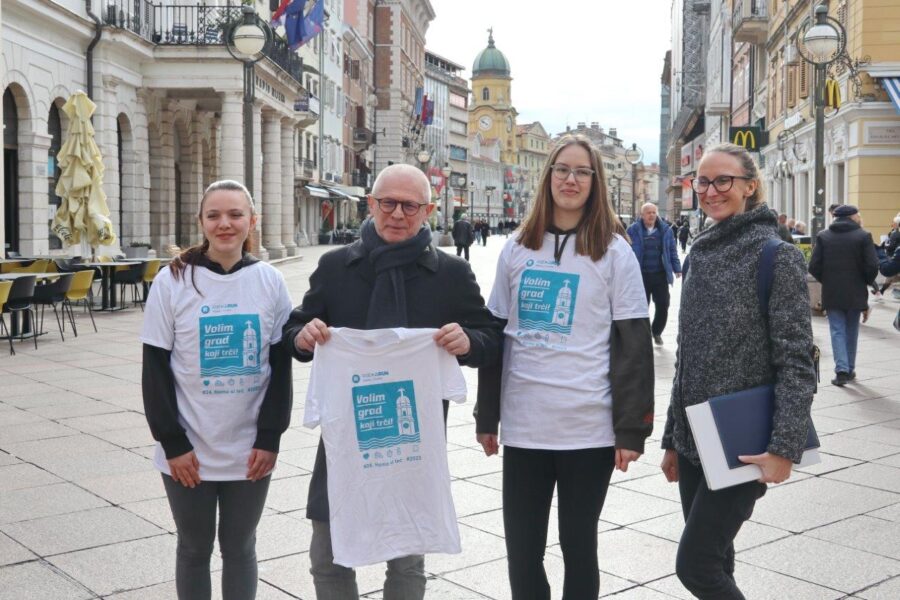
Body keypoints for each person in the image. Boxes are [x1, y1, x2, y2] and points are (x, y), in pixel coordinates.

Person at [282, 164, 503, 599]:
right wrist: (303, 338)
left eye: (410, 205)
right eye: (388, 203)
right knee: (327, 557)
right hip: (346, 437)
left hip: (413, 441)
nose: (397, 214)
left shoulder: (451, 274)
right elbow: (295, 329)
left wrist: (468, 342)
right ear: (371, 205)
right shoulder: (335, 267)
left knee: (407, 562)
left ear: (428, 210)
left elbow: (492, 338)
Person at [476, 134, 654, 600]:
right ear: (547, 176)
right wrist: (486, 416)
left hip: (588, 427)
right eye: (562, 169)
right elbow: (497, 333)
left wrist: (630, 430)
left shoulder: (614, 252)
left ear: (596, 182)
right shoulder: (517, 247)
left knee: (579, 547)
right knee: (522, 550)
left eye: (581, 172)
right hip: (526, 425)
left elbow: (635, 345)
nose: (570, 180)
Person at [660, 143, 816, 599]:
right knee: (719, 558)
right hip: (695, 439)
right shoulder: (701, 252)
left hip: (743, 440)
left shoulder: (775, 255)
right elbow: (687, 355)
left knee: (697, 566)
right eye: (702, 182)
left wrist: (783, 448)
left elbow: (796, 360)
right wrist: (673, 439)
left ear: (750, 187)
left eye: (723, 180)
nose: (710, 191)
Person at [141, 180, 294, 600]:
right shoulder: (172, 282)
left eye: (235, 215)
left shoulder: (270, 281)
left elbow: (280, 368)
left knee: (240, 547)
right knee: (193, 548)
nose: (224, 224)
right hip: (188, 448)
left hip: (250, 451)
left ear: (251, 222)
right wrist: (172, 443)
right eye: (214, 215)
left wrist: (270, 437)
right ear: (201, 222)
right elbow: (154, 369)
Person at [808, 204, 879, 386]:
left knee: (837, 330)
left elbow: (814, 266)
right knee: (851, 330)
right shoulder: (863, 236)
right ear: (853, 217)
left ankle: (841, 370)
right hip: (855, 291)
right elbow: (872, 266)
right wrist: (865, 281)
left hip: (833, 292)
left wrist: (829, 280)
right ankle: (850, 369)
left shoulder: (824, 236)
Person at [626, 202, 682, 345]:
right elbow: (625, 252)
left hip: (660, 275)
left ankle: (656, 331)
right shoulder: (633, 230)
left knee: (663, 304)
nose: (652, 215)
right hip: (640, 275)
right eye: (648, 212)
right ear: (642, 215)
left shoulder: (665, 230)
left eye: (653, 212)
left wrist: (677, 268)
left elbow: (671, 250)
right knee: (641, 306)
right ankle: (643, 335)